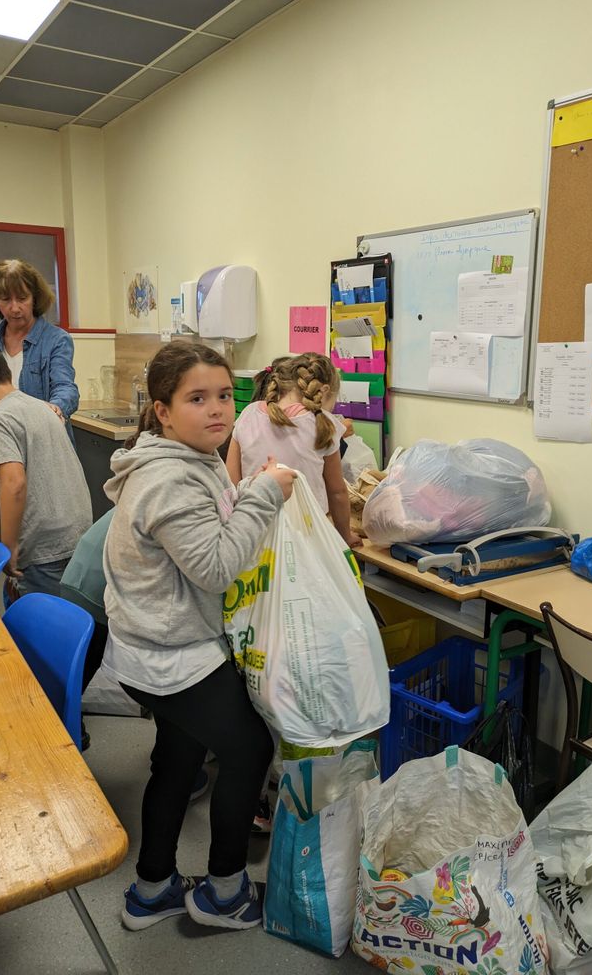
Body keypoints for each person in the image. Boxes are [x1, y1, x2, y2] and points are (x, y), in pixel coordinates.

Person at [101, 341, 295, 932]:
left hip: (154, 649)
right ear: (161, 410)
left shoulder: (191, 458)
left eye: (223, 397)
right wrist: (264, 495)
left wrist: (244, 492)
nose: (216, 411)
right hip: (174, 657)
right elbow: (213, 566)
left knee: (179, 759)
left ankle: (152, 889)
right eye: (196, 399)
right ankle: (225, 894)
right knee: (249, 750)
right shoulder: (169, 480)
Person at [59, 507, 211, 798]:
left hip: (84, 572)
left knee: (66, 691)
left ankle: (49, 759)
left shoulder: (156, 477)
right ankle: (176, 773)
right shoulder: (193, 499)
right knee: (169, 679)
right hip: (100, 588)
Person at [0, 340, 92, 596]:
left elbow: (14, 485)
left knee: (39, 626)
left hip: (43, 544)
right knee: (63, 610)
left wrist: (9, 546)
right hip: (76, 531)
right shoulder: (40, 406)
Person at [0, 259, 79, 509]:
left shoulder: (56, 340)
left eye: (22, 298)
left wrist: (55, 408)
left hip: (42, 455)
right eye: (5, 300)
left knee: (45, 532)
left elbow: (66, 388)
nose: (15, 308)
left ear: (35, 296)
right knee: (11, 529)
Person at [227, 352, 361, 548]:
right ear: (323, 391)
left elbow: (232, 482)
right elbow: (337, 492)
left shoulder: (248, 414)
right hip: (307, 536)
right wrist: (345, 535)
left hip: (255, 530)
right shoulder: (323, 424)